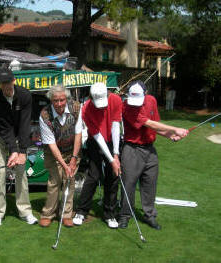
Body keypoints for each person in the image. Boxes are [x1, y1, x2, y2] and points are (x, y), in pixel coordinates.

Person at [118, 81, 188, 230]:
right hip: (131, 149)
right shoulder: (127, 106)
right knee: (128, 184)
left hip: (150, 149)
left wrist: (169, 135)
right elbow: (148, 123)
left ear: (145, 94)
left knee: (150, 183)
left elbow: (155, 125)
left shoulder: (151, 101)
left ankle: (149, 215)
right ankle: (124, 215)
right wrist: (175, 129)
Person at [0, 68, 37, 226]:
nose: (6, 87)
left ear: (14, 80)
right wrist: (13, 151)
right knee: (0, 171)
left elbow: (25, 124)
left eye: (8, 82)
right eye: (3, 84)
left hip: (17, 135)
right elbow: (5, 128)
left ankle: (25, 211)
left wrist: (21, 151)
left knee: (20, 170)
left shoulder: (25, 95)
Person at [73, 82, 122, 228]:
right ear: (91, 98)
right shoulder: (86, 108)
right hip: (96, 141)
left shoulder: (116, 100)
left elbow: (115, 127)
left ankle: (110, 214)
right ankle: (82, 211)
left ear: (107, 94)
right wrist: (111, 160)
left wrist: (116, 154)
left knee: (112, 177)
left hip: (112, 141)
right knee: (93, 176)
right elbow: (97, 136)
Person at [38, 85, 82, 228]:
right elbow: (51, 145)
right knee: (55, 180)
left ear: (66, 99)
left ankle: (66, 213)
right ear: (51, 100)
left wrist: (73, 160)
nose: (59, 104)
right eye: (55, 100)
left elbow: (78, 134)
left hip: (72, 150)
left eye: (62, 100)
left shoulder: (76, 108)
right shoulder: (44, 115)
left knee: (70, 179)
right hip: (54, 151)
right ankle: (48, 213)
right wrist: (64, 165)